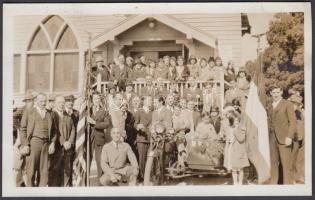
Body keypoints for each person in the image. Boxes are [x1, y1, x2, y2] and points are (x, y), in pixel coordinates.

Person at [20, 93, 57, 187]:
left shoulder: (49, 114)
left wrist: (52, 143)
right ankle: (31, 193)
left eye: (45, 101)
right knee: (31, 170)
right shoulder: (29, 112)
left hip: (46, 145)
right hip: (33, 143)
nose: (43, 103)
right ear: (36, 101)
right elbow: (23, 129)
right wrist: (25, 144)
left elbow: (54, 131)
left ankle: (41, 192)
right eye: (41, 101)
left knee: (44, 171)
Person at [267, 85, 296, 184]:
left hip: (284, 138)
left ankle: (287, 187)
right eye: (273, 93)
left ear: (281, 93)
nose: (275, 95)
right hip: (272, 138)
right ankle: (274, 186)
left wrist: (289, 136)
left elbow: (292, 121)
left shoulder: (287, 104)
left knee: (286, 164)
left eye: (277, 92)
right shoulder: (269, 105)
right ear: (271, 93)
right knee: (273, 163)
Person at [87, 93, 113, 183]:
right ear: (92, 100)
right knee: (87, 160)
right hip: (88, 139)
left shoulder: (104, 111)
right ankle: (86, 182)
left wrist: (94, 123)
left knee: (100, 162)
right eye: (95, 98)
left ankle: (100, 182)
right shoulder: (87, 110)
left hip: (99, 139)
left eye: (98, 98)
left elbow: (106, 124)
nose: (96, 100)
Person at [13, 92, 35, 187]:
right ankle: (17, 182)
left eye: (31, 100)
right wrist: (19, 127)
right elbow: (13, 117)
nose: (30, 102)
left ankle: (26, 182)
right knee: (19, 157)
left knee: (28, 161)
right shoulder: (22, 109)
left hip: (31, 135)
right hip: (22, 135)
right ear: (25, 102)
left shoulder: (35, 110)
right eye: (28, 101)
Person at [222, 111, 249, 185]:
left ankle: (240, 183)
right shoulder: (229, 128)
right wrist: (226, 150)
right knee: (233, 169)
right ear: (231, 121)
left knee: (240, 169)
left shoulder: (242, 128)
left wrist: (235, 131)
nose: (236, 122)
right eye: (234, 121)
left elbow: (241, 139)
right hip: (231, 150)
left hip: (239, 151)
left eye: (237, 120)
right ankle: (235, 183)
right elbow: (228, 140)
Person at [54, 96, 76, 187]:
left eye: (63, 102)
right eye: (59, 102)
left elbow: (73, 129)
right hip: (57, 149)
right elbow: (54, 131)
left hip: (68, 148)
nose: (61, 104)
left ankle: (66, 190)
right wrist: (63, 142)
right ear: (55, 103)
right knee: (56, 171)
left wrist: (70, 142)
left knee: (67, 171)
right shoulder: (52, 115)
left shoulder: (67, 116)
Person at [134, 96, 153, 181]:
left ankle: (148, 175)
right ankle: (141, 176)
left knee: (149, 157)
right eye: (149, 100)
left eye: (151, 100)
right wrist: (138, 126)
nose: (151, 101)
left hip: (150, 138)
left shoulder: (152, 112)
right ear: (144, 102)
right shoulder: (139, 111)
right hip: (141, 137)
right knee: (141, 158)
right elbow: (135, 124)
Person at [288, 94, 305, 184]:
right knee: (291, 159)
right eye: (293, 103)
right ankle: (290, 178)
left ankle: (298, 177)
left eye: (297, 104)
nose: (295, 106)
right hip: (292, 138)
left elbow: (303, 124)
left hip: (300, 138)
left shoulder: (300, 113)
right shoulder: (287, 112)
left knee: (299, 159)